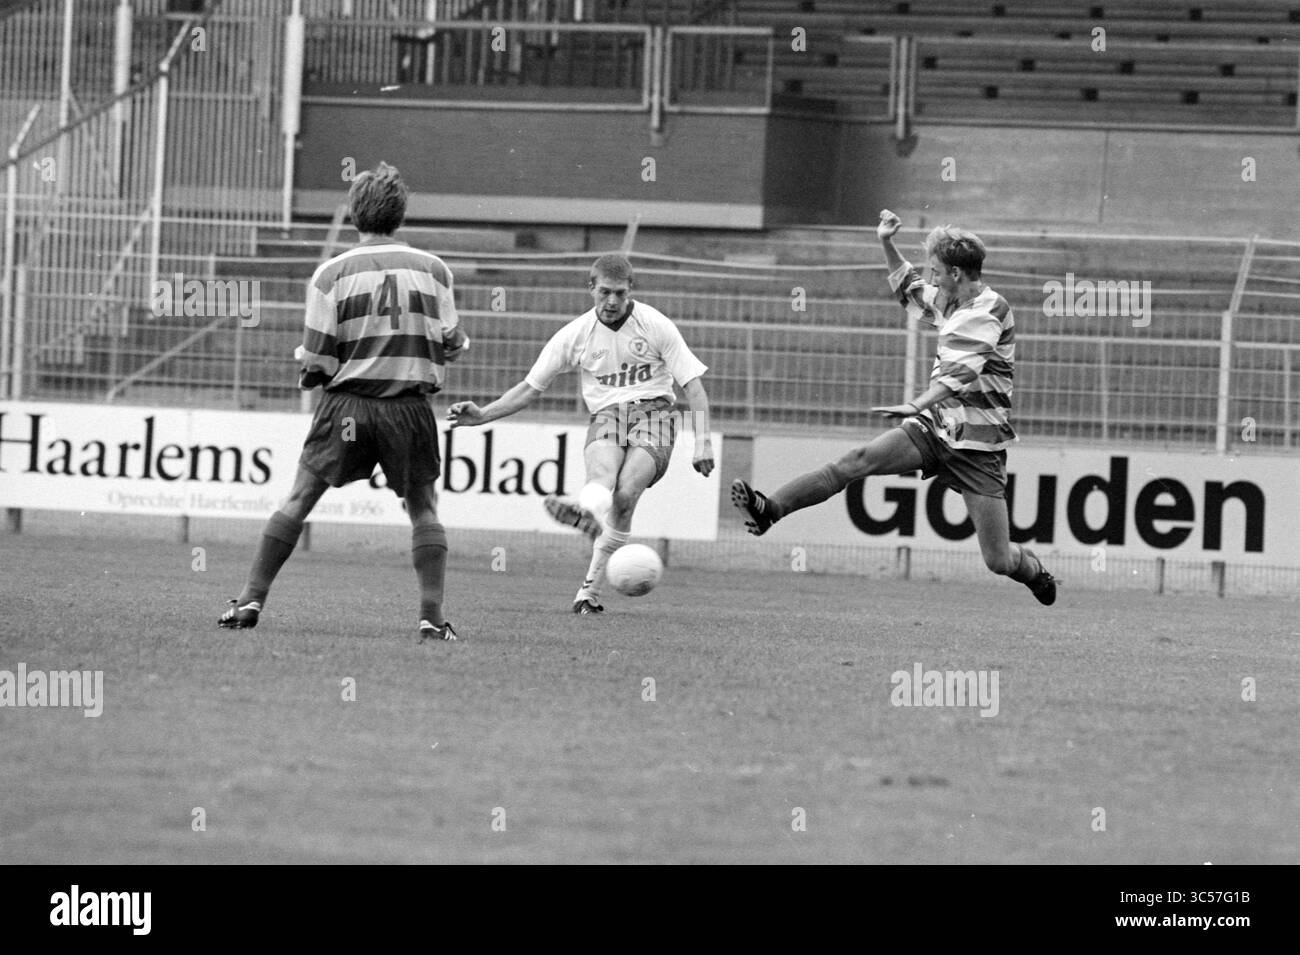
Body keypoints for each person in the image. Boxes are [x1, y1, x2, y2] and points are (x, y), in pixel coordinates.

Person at [731, 209, 1057, 605]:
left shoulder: (990, 311)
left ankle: (1035, 571)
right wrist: (886, 242)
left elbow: (959, 374)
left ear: (956, 273)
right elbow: (912, 290)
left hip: (977, 445)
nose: (932, 277)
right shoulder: (951, 298)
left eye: (937, 270)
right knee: (856, 460)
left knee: (999, 559)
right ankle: (771, 509)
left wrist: (915, 403)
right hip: (936, 427)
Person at [218, 162, 469, 640]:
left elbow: (317, 361)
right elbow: (451, 341)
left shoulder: (330, 275)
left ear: (355, 213)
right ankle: (432, 619)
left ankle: (250, 601)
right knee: (423, 509)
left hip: (347, 408)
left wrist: (313, 366)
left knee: (299, 499)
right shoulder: (435, 270)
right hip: (408, 408)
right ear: (401, 214)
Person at [447, 253, 714, 614]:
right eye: (604, 292)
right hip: (607, 414)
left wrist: (702, 442)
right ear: (591, 288)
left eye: (620, 293)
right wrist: (482, 415)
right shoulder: (574, 335)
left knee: (625, 493)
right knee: (602, 474)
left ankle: (590, 580)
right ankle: (587, 540)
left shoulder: (655, 325)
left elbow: (693, 388)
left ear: (630, 289)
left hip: (656, 414)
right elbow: (529, 388)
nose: (612, 301)